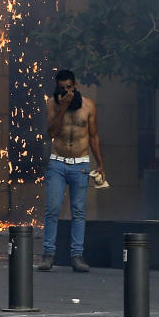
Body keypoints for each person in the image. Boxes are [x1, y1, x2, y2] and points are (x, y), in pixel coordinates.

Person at [36, 69, 107, 273]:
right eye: (61, 88)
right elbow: (51, 132)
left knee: (78, 211)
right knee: (52, 209)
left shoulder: (88, 106)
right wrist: (63, 107)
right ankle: (48, 254)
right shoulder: (53, 103)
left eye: (69, 87)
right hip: (58, 163)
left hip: (81, 164)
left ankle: (77, 255)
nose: (65, 91)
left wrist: (101, 164)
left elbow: (94, 136)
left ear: (75, 85)